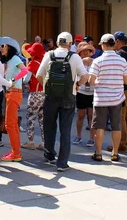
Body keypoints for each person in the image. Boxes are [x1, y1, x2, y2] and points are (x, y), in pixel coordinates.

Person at [37, 32, 88, 172]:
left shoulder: (49, 55)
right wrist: (76, 85)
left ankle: (49, 155)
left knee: (49, 126)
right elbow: (85, 76)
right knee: (65, 130)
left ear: (57, 42)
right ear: (70, 44)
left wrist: (47, 87)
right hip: (68, 96)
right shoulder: (74, 57)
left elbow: (39, 75)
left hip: (51, 96)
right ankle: (62, 162)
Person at [88, 34, 127, 163]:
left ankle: (99, 153)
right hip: (117, 98)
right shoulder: (121, 60)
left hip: (101, 98)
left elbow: (91, 81)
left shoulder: (97, 61)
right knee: (116, 126)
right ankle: (115, 153)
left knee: (99, 127)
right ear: (113, 44)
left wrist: (101, 82)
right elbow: (126, 80)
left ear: (103, 45)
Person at [0, 37, 26, 162]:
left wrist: (14, 80)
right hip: (11, 93)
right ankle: (15, 151)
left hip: (14, 92)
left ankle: (16, 153)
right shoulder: (9, 60)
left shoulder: (15, 59)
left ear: (9, 47)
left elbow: (25, 70)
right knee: (12, 124)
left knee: (10, 124)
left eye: (2, 46)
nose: (0, 49)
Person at [22, 42, 46, 151]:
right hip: (44, 94)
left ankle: (30, 142)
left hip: (34, 93)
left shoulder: (33, 63)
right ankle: (43, 142)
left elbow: (25, 79)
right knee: (42, 120)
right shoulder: (45, 62)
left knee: (31, 118)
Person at [73, 42, 96, 147]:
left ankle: (92, 138)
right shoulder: (77, 62)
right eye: (83, 51)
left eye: (88, 51)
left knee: (91, 116)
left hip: (92, 92)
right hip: (81, 91)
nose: (86, 53)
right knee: (80, 115)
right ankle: (78, 136)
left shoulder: (95, 62)